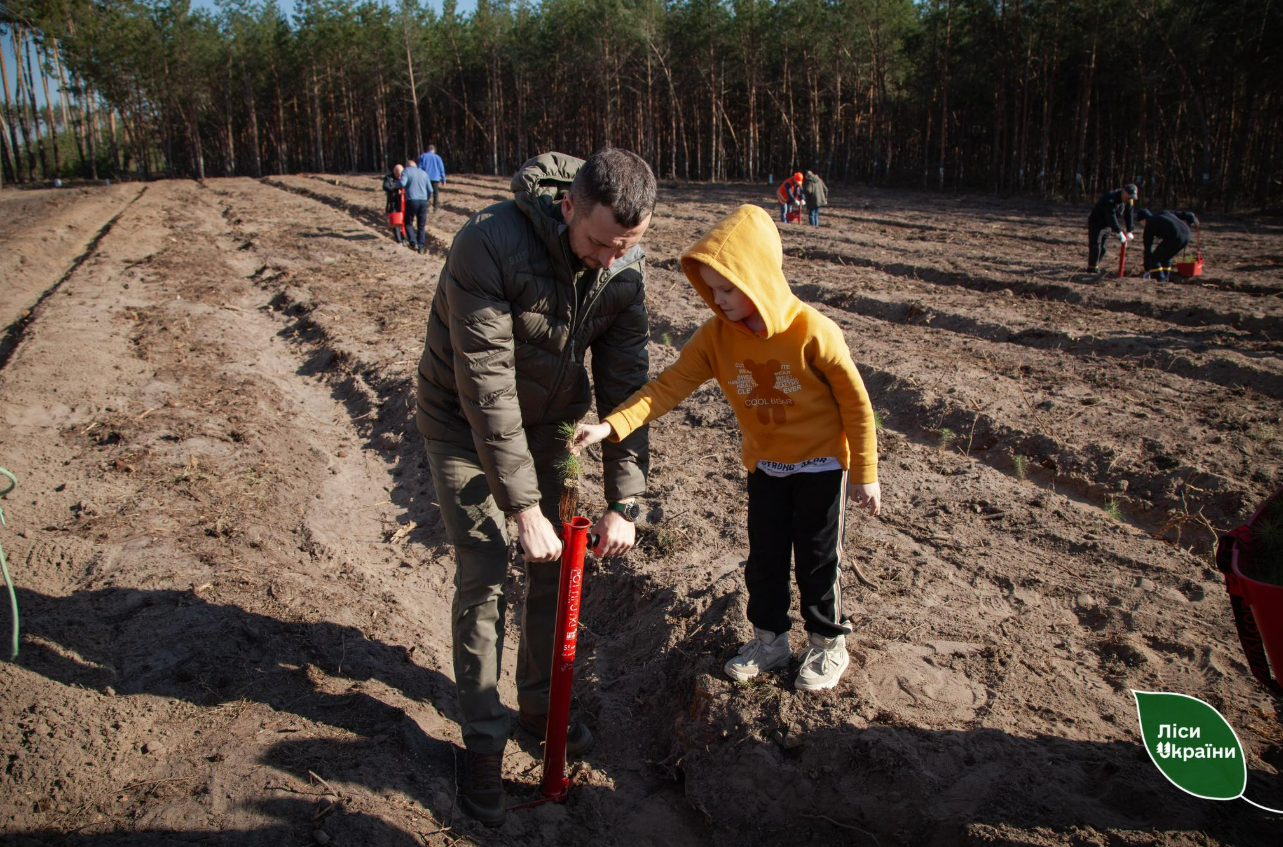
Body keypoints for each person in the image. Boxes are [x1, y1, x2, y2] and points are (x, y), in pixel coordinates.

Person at [414, 148, 656, 825]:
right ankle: (483, 743)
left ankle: (537, 711)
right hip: (461, 422)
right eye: (600, 242)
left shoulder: (624, 266)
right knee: (487, 568)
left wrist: (625, 501)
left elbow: (625, 389)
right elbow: (485, 385)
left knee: (558, 567)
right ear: (568, 206)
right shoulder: (487, 242)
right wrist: (522, 505)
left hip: (550, 424)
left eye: (627, 246)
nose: (610, 258)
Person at [574, 204, 881, 695]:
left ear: (758, 278)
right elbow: (666, 388)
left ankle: (827, 644)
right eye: (711, 289)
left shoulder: (813, 332)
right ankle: (771, 642)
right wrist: (611, 426)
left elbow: (857, 406)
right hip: (767, 466)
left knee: (819, 559)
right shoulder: (716, 339)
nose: (717, 300)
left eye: (727, 288)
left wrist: (865, 471)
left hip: (823, 464)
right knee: (765, 559)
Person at [1087, 182, 1138, 273]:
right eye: (1129, 196)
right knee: (1096, 245)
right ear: (1124, 192)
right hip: (1097, 223)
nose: (1130, 198)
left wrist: (1130, 230)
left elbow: (1129, 214)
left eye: (1132, 197)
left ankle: (1096, 264)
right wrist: (1119, 231)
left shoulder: (1129, 200)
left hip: (1108, 225)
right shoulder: (1111, 197)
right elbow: (1111, 216)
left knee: (1103, 248)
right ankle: (1092, 267)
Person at [1136, 209, 1191, 282]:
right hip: (1187, 234)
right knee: (1166, 257)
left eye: (1140, 222)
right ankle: (1166, 278)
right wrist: (1191, 217)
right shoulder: (1164, 213)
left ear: (1143, 220)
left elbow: (1148, 249)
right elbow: (1182, 214)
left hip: (1175, 237)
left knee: (1154, 259)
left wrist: (1147, 269)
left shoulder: (1149, 225)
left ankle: (1161, 280)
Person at [400, 158, 432, 253]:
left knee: (408, 223)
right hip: (423, 201)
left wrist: (394, 185)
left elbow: (402, 183)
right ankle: (421, 246)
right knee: (421, 225)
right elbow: (430, 189)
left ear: (407, 166)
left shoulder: (407, 171)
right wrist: (426, 198)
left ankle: (413, 242)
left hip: (411, 200)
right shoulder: (423, 173)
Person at [382, 163, 407, 244]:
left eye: (401, 174)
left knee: (405, 222)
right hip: (393, 202)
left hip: (403, 202)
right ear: (394, 172)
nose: (399, 176)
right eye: (397, 173)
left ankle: (405, 238)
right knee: (396, 222)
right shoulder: (388, 178)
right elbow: (385, 186)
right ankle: (399, 240)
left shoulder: (405, 177)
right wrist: (395, 190)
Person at [418, 144, 447, 212]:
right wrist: (444, 179)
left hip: (425, 177)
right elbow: (441, 169)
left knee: (425, 192)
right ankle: (435, 207)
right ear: (433, 150)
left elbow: (419, 168)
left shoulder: (423, 156)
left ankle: (426, 206)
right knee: (435, 193)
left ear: (427, 150)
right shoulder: (438, 157)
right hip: (435, 178)